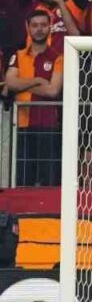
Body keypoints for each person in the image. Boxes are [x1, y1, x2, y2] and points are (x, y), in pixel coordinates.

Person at [3, 11, 63, 185]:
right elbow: (10, 83)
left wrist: (22, 82)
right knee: (22, 180)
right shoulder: (19, 55)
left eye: (43, 25)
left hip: (48, 125)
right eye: (35, 25)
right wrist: (37, 80)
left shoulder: (58, 58)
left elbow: (53, 90)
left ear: (50, 27)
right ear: (27, 27)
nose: (39, 29)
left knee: (49, 182)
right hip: (21, 124)